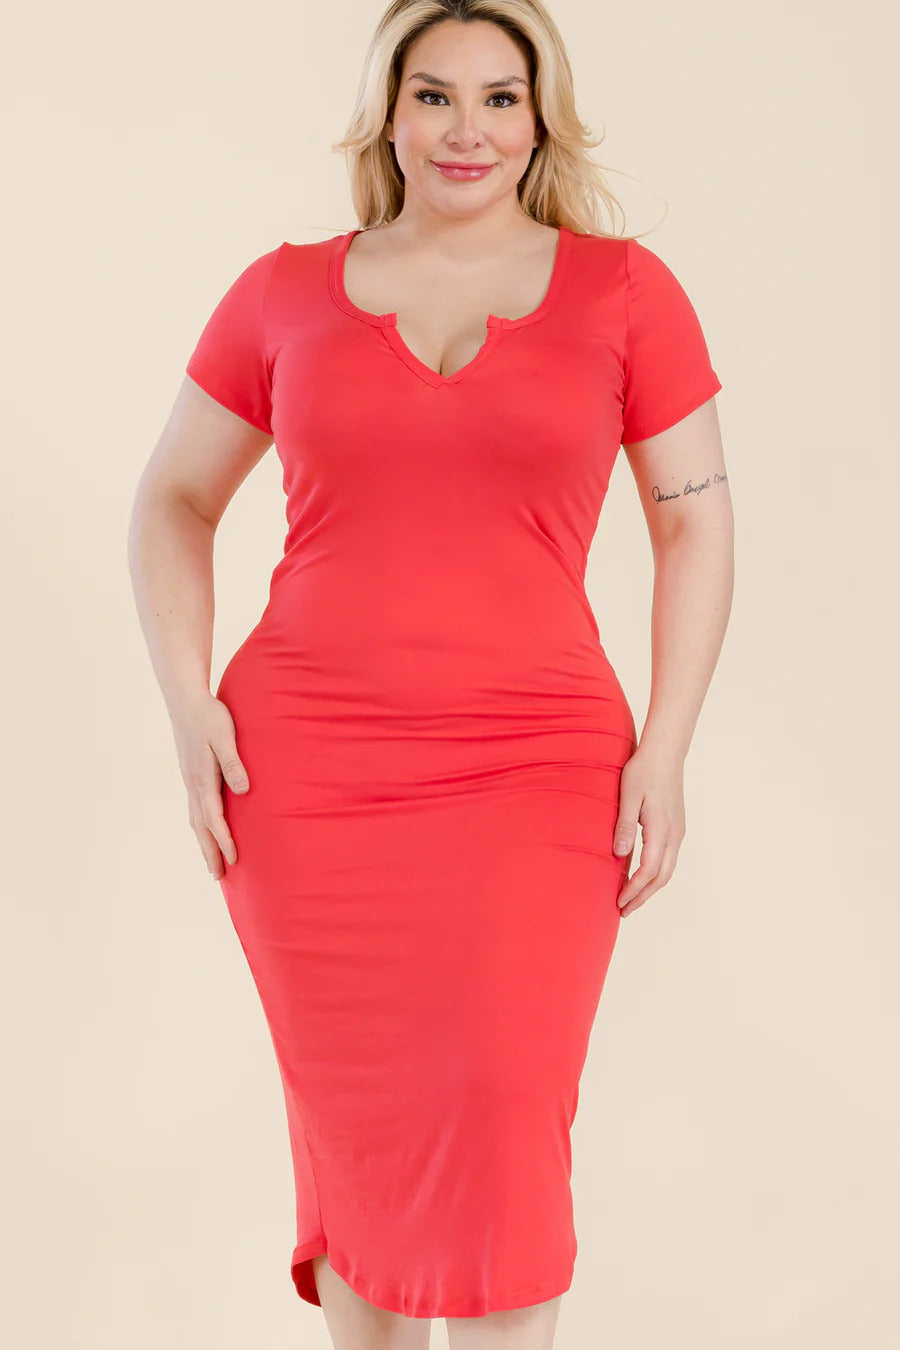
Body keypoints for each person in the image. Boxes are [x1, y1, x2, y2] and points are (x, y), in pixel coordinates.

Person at [128, 1, 733, 1346]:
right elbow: (173, 497)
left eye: (501, 98)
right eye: (436, 95)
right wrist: (187, 706)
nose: (469, 129)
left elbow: (694, 526)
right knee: (357, 1130)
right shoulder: (283, 292)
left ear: (541, 119)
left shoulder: (626, 293)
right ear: (388, 114)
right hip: (306, 779)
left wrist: (668, 745)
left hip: (538, 770)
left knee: (507, 1114)